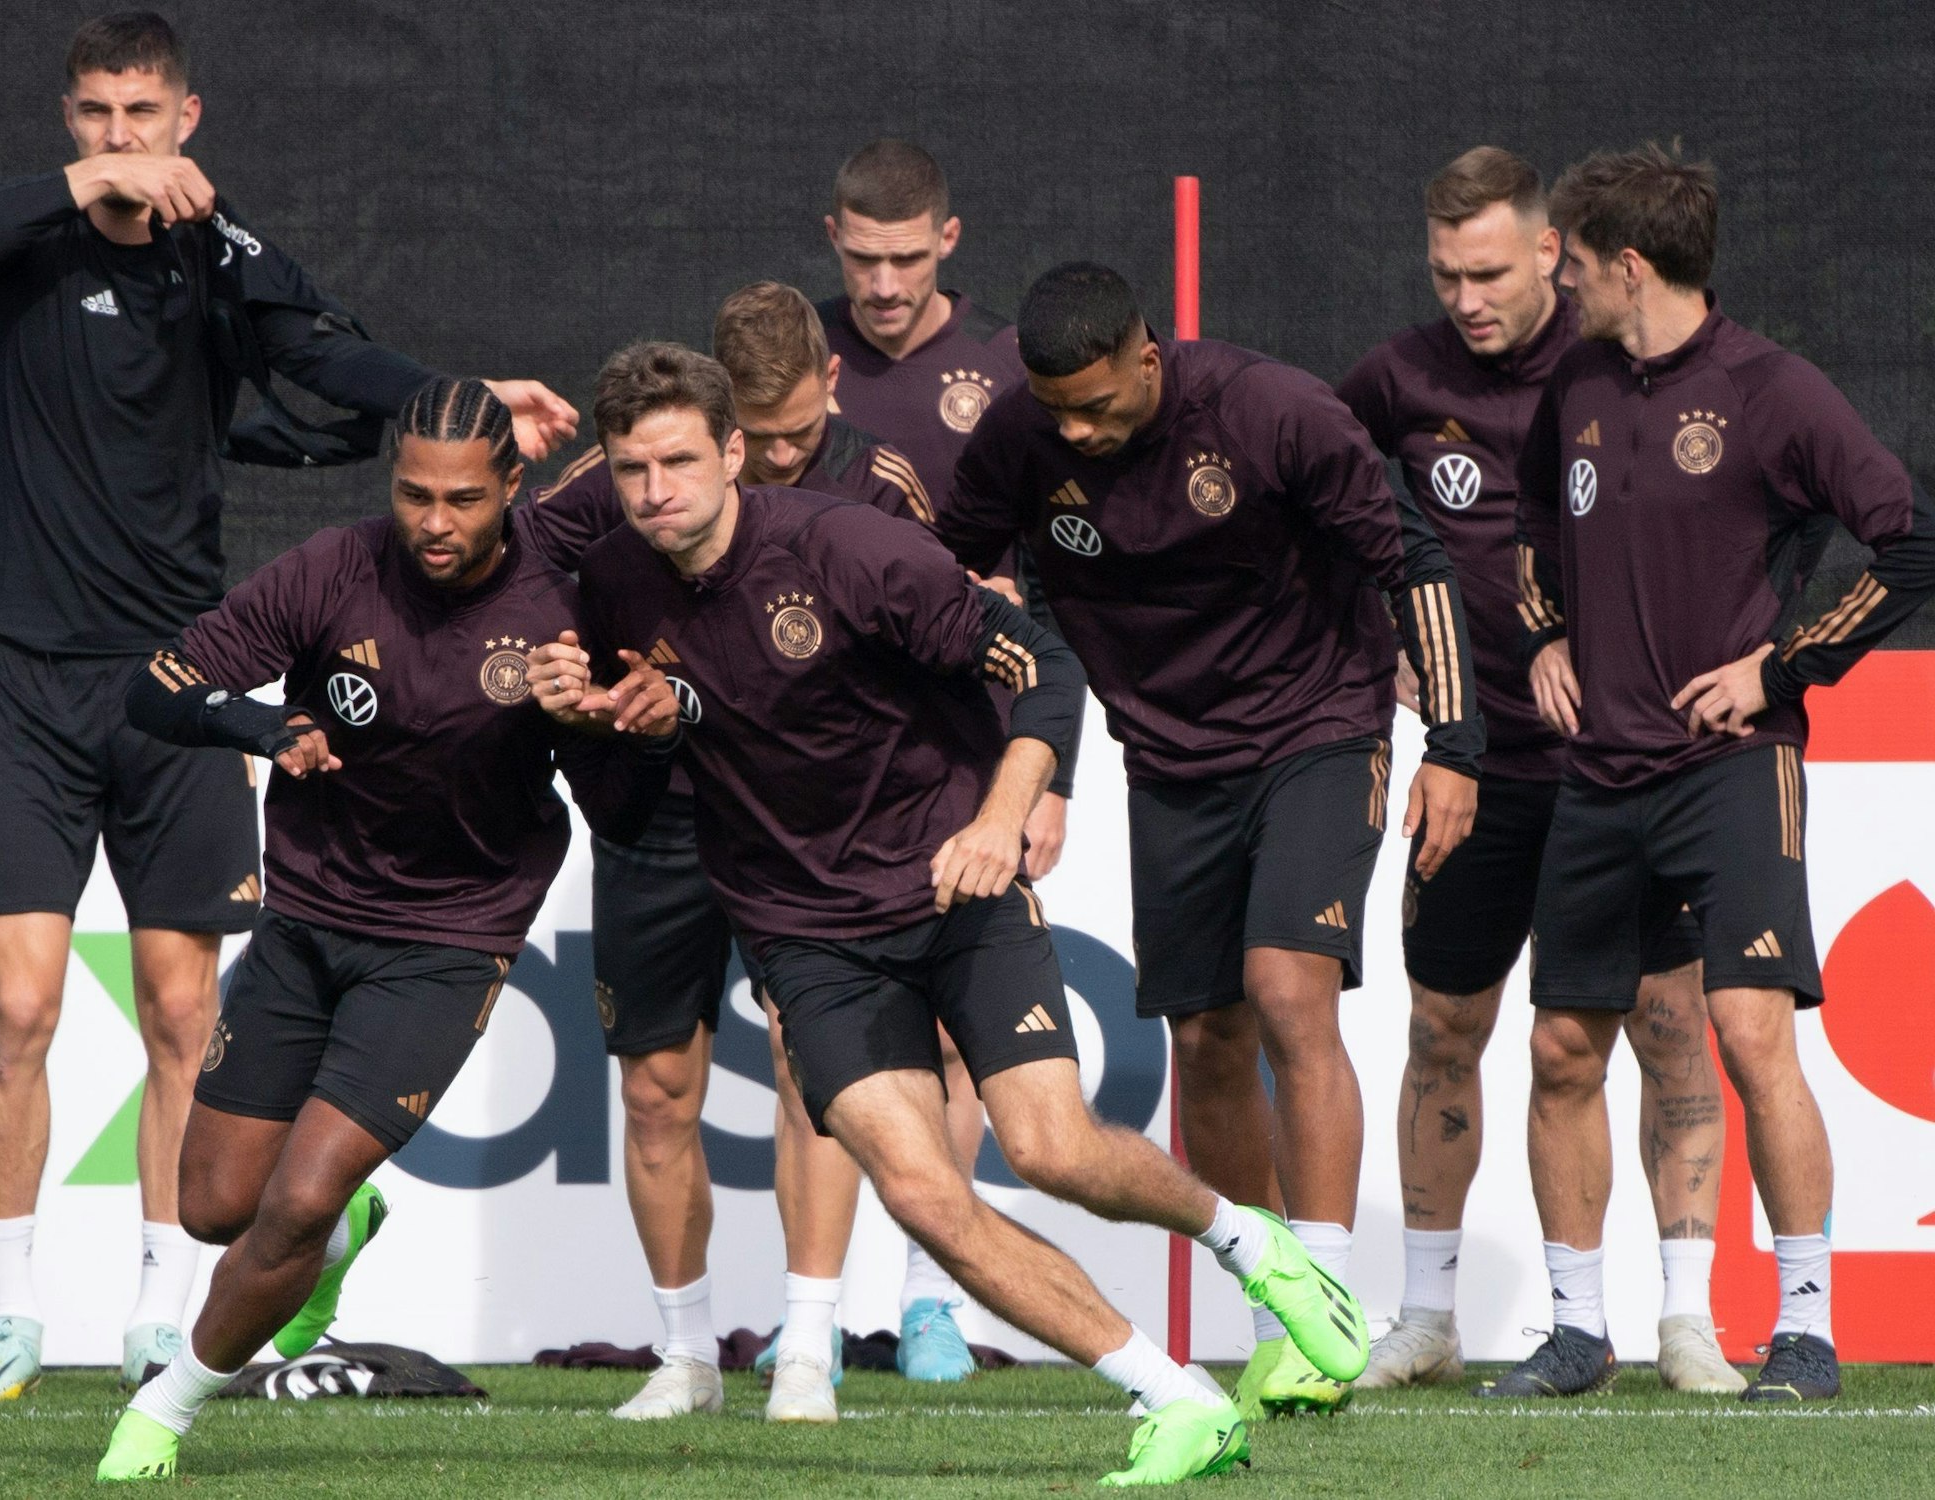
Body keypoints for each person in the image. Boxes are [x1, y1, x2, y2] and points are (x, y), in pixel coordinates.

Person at [535, 340, 1372, 1486]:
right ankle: (1176, 1400)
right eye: (630, 471)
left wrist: (1000, 817)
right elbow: (629, 812)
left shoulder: (847, 548)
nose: (654, 492)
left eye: (677, 461)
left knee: (1053, 1150)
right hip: (804, 933)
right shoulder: (615, 586)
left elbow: (1041, 666)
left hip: (952, 888)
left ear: (732, 453)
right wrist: (612, 732)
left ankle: (1251, 1240)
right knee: (926, 1195)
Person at [0, 10, 577, 1400]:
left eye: (143, 115)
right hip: (35, 679)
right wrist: (73, 192)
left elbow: (329, 359)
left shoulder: (218, 256)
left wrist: (463, 402)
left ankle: (165, 1315)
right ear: (71, 122)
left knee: (181, 1010)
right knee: (23, 1005)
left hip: (177, 679)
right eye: (97, 115)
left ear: (190, 117)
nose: (123, 138)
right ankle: (12, 1318)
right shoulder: (28, 237)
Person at [91, 379, 675, 1481]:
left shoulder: (569, 602)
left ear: (513, 487)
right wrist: (264, 724)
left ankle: (164, 1412)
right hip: (308, 918)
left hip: (451, 938)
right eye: (414, 495)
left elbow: (628, 812)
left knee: (294, 1197)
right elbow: (157, 689)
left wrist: (598, 723)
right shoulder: (330, 568)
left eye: (462, 499)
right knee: (214, 1208)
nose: (436, 523)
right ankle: (348, 1230)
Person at [940, 262, 1484, 1416]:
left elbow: (1414, 561)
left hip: (1321, 729)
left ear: (1148, 357)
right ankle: (1272, 1313)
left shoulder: (1268, 410)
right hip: (1168, 763)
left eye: (1096, 403)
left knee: (1289, 993)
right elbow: (949, 581)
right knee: (1209, 1038)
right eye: (1057, 411)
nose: (1076, 430)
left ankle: (1327, 1296)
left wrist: (1453, 743)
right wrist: (1021, 764)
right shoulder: (1017, 440)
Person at [1504, 143, 1935, 1403]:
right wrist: (1539, 636)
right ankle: (1576, 1333)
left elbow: (1908, 544)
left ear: (1625, 264)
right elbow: (1532, 521)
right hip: (1597, 776)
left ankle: (1802, 1331)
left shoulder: (1771, 390)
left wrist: (1782, 670)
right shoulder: (1575, 382)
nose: (1556, 279)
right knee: (1558, 1055)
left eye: (1570, 261)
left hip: (1730, 770)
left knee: (1748, 1035)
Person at [1336, 146, 1740, 1392]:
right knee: (1442, 1029)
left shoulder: (1616, 366)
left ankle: (1681, 1322)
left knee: (1660, 1032)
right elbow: (1316, 520)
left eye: (1493, 271)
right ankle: (1424, 1315)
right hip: (1472, 771)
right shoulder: (1392, 381)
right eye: (1446, 274)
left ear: (1551, 260)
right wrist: (1382, 655)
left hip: (1620, 770)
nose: (1468, 297)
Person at [517, 282, 939, 1422]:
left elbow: (948, 634)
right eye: (772, 438)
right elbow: (502, 566)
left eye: (804, 434)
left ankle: (807, 1344)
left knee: (819, 1076)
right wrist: (558, 666)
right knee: (656, 1090)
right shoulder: (628, 482)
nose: (789, 458)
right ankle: (687, 1354)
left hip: (810, 819)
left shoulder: (876, 483)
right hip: (658, 814)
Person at [819, 139, 1070, 1375]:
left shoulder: (1008, 367)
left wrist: (1051, 775)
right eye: (861, 258)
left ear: (949, 243)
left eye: (906, 258)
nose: (881, 283)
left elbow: (1057, 569)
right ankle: (812, 1320)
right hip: (816, 750)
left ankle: (929, 1300)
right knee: (806, 1035)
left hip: (970, 741)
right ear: (832, 240)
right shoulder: (793, 361)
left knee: (968, 1034)